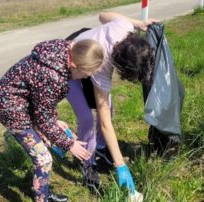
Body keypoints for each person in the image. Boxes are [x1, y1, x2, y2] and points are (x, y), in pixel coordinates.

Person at [0, 38, 104, 202]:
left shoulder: (65, 48)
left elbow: (42, 99)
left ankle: (42, 191)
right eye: (86, 75)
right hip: (11, 109)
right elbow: (44, 117)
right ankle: (42, 199)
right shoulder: (52, 76)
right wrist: (70, 144)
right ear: (75, 66)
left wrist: (54, 120)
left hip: (21, 102)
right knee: (43, 159)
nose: (85, 78)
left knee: (47, 140)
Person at [66, 11, 157, 193]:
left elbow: (102, 15)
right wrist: (120, 164)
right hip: (70, 64)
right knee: (85, 117)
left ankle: (100, 148)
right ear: (120, 66)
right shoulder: (103, 65)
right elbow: (104, 117)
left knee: (110, 108)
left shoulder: (125, 28)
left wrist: (139, 23)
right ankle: (87, 162)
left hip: (88, 49)